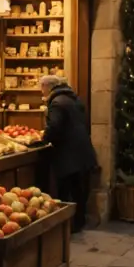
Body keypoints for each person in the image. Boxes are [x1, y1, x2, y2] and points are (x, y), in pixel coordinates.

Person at [41, 75, 97, 233]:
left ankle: (67, 226)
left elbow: (54, 126)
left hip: (68, 154)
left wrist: (43, 140)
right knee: (79, 190)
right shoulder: (73, 98)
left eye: (42, 88)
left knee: (65, 191)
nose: (42, 91)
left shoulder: (57, 103)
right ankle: (78, 222)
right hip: (81, 150)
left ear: (47, 86)